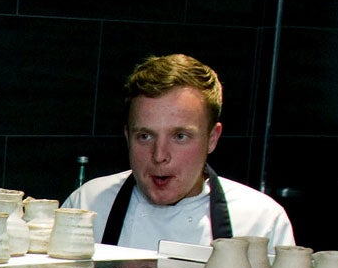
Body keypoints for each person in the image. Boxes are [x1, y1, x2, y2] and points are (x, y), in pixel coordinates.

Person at [63, 53, 295, 253]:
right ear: (127, 137)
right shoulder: (87, 205)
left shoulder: (261, 221)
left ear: (212, 139)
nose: (159, 156)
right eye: (145, 136)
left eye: (180, 136)